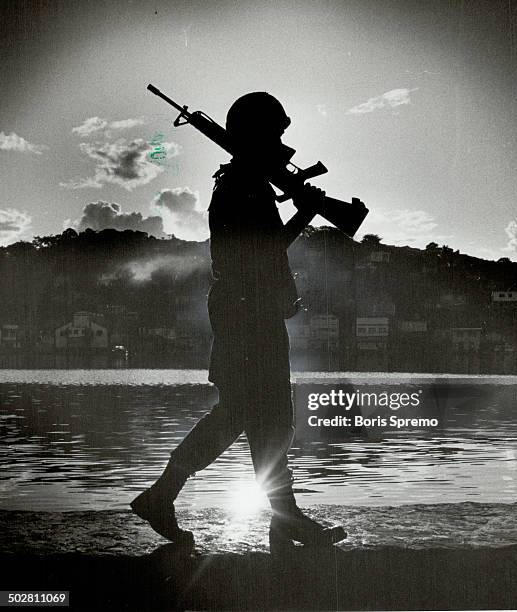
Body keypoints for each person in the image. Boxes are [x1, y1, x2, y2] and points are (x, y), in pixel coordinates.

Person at [131, 92, 346, 548]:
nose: (282, 142)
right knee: (259, 416)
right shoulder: (242, 184)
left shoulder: (245, 180)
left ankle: (169, 497)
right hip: (247, 313)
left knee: (256, 417)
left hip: (249, 311)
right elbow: (260, 252)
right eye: (275, 132)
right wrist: (305, 213)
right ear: (257, 134)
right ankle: (272, 517)